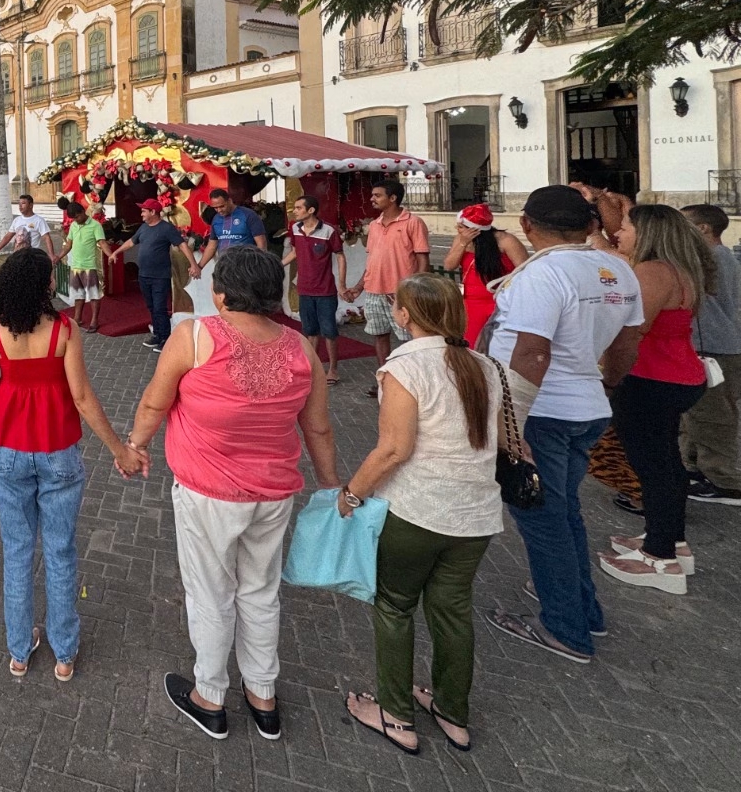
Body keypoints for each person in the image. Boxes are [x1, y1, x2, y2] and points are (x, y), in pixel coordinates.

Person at [126, 247, 338, 743]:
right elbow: (320, 431)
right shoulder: (300, 347)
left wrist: (135, 446)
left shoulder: (194, 337)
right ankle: (263, 695)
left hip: (207, 495)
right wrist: (332, 489)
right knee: (260, 593)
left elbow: (155, 402)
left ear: (219, 294)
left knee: (211, 594)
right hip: (273, 496)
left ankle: (210, 696)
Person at [337, 274, 506, 755]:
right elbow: (500, 441)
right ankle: (453, 712)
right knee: (453, 611)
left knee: (393, 607)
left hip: (417, 510)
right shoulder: (483, 365)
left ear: (406, 315)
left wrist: (351, 494)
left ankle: (395, 713)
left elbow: (393, 450)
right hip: (475, 513)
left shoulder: (405, 367)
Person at [483, 186, 642, 663]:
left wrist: (512, 428)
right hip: (588, 405)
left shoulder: (544, 273)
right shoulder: (617, 268)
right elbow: (627, 341)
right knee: (564, 509)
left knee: (542, 518)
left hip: (543, 412)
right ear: (590, 224)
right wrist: (609, 386)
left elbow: (532, 351)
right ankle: (582, 607)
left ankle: (565, 627)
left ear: (528, 226)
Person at [0, 249, 142, 680]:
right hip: (59, 450)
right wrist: (119, 448)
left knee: (17, 550)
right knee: (60, 550)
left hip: (8, 451)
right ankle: (64, 654)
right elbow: (82, 398)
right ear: (46, 284)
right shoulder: (64, 329)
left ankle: (19, 650)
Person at [596, 204, 715, 595]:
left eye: (627, 226)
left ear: (648, 232)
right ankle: (669, 539)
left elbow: (632, 332)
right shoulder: (679, 269)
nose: (621, 231)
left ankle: (659, 557)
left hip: (652, 378)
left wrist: (609, 378)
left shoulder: (652, 272)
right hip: (678, 375)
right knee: (666, 461)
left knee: (653, 465)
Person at [679, 204, 741, 504]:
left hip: (715, 347)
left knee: (715, 415)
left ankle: (723, 479)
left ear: (703, 228)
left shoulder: (711, 259)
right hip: (711, 345)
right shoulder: (719, 257)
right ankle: (697, 466)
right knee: (698, 414)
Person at [343, 180, 431, 370]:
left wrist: (415, 291)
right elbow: (372, 261)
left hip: (401, 293)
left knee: (408, 337)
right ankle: (385, 376)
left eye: (377, 195)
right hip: (374, 292)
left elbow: (423, 259)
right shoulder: (374, 225)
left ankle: (411, 378)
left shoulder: (413, 222)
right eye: (373, 195)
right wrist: (359, 287)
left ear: (392, 198)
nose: (372, 199)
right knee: (379, 335)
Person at [111, 199, 201, 353]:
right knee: (151, 306)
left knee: (159, 307)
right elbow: (131, 242)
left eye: (144, 211)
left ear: (153, 212)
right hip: (143, 275)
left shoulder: (167, 228)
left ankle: (166, 338)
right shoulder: (143, 228)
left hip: (160, 276)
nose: (141, 214)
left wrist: (194, 264)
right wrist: (116, 252)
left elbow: (182, 245)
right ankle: (158, 335)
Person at [440, 203, 527, 347]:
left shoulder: (505, 240)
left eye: (461, 227)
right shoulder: (461, 240)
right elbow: (449, 265)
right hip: (472, 302)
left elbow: (524, 269)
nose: (457, 229)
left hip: (501, 299)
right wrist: (462, 244)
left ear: (474, 229)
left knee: (502, 344)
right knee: (472, 344)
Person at [283, 195, 347, 385]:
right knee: (310, 330)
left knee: (329, 331)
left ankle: (333, 369)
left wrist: (341, 284)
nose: (294, 211)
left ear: (310, 210)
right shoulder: (295, 229)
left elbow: (340, 256)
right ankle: (313, 367)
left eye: (298, 208)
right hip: (304, 289)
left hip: (325, 290)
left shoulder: (328, 231)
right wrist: (279, 264)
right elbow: (295, 252)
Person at [59, 201, 112, 333]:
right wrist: (58, 256)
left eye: (77, 217)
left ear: (83, 212)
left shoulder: (95, 226)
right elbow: (68, 244)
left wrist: (111, 255)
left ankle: (94, 320)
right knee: (78, 294)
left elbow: (102, 243)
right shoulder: (73, 225)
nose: (76, 220)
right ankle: (77, 318)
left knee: (93, 294)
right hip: (75, 266)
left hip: (90, 266)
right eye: (73, 218)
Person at [198, 188, 268, 264]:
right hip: (224, 266)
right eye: (215, 208)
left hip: (246, 266)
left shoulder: (249, 215)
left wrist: (259, 265)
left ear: (229, 201)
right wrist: (199, 267)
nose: (219, 210)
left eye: (222, 206)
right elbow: (212, 246)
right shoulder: (216, 219)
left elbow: (261, 244)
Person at [0, 194, 54, 258]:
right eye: (19, 204)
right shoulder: (17, 220)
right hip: (17, 256)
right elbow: (7, 237)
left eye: (23, 203)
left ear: (31, 205)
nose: (20, 206)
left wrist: (51, 255)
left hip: (32, 256)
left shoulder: (39, 220)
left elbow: (46, 238)